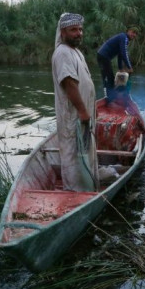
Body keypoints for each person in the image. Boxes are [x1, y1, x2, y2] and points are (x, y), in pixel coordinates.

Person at [52, 12, 98, 192]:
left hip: (83, 114)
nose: (79, 33)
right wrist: (83, 111)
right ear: (63, 32)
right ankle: (74, 192)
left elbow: (85, 84)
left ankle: (87, 188)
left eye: (80, 29)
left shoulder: (75, 52)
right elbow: (69, 84)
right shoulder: (63, 53)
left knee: (84, 154)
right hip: (73, 117)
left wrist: (92, 108)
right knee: (73, 156)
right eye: (73, 30)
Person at [96, 26, 138, 100]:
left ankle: (110, 97)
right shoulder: (123, 37)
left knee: (109, 78)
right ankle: (110, 99)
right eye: (133, 32)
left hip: (103, 56)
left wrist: (120, 68)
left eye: (136, 34)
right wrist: (129, 67)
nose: (134, 35)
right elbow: (124, 53)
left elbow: (120, 54)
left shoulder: (124, 39)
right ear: (128, 31)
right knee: (109, 78)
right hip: (103, 56)